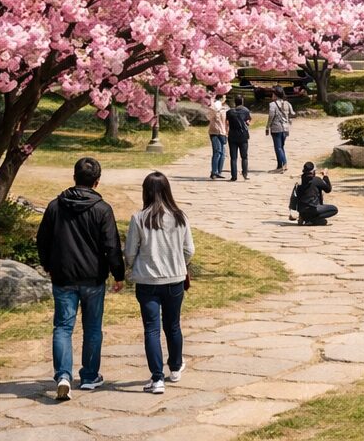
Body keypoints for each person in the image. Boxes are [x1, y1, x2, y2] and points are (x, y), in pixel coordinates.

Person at [36, 156, 126, 401]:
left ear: (74, 177)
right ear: (97, 181)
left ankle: (63, 375)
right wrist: (119, 274)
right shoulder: (102, 209)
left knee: (63, 328)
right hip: (93, 278)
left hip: (63, 276)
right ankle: (89, 376)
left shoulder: (56, 206)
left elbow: (42, 240)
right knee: (92, 328)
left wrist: (48, 265)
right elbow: (111, 246)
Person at [125, 172, 195, 395]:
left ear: (145, 191)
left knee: (152, 329)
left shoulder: (139, 218)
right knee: (173, 325)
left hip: (147, 280)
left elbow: (129, 252)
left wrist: (133, 265)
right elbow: (189, 250)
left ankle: (157, 378)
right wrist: (179, 264)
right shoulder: (179, 216)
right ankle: (175, 367)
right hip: (174, 279)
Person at [267, 86, 295, 173]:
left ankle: (283, 165)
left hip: (276, 128)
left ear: (275, 95)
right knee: (281, 147)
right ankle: (281, 165)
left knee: (278, 147)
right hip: (285, 128)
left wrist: (267, 127)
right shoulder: (287, 103)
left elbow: (271, 116)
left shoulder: (272, 105)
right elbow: (293, 113)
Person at [225, 94, 252, 181]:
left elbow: (227, 122)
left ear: (235, 102)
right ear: (242, 102)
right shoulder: (246, 111)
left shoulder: (229, 112)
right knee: (244, 156)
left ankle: (234, 176)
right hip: (243, 135)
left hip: (232, 135)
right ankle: (245, 173)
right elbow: (248, 121)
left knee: (233, 157)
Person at [207, 98, 227, 180]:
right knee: (217, 152)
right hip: (214, 132)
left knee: (222, 153)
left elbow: (226, 122)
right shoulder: (213, 110)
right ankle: (214, 172)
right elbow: (210, 115)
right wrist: (215, 107)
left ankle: (219, 171)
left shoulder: (224, 110)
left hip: (222, 132)